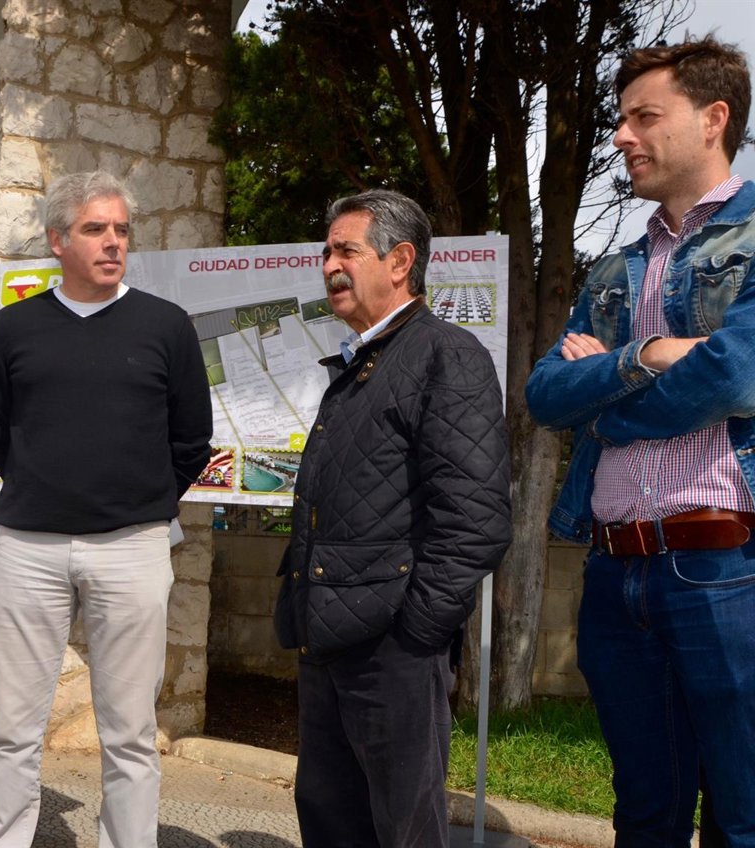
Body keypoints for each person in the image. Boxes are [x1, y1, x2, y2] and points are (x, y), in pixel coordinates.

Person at [526, 36, 755, 846]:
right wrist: (648, 356)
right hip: (613, 572)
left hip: (726, 571)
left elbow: (733, 377)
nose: (622, 135)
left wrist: (607, 403)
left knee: (743, 819)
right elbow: (544, 394)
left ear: (713, 119)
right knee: (644, 818)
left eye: (644, 117)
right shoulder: (615, 270)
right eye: (622, 119)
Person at [0, 170, 212, 848]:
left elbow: (191, 439)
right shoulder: (15, 328)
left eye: (121, 230)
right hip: (29, 548)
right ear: (58, 240)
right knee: (12, 729)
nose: (113, 242)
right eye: (95, 229)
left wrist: (142, 503)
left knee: (131, 732)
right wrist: (47, 487)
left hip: (132, 548)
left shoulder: (166, 325)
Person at [274, 189, 511, 847]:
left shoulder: (445, 354)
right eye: (326, 252)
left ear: (400, 261)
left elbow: (477, 520)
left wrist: (414, 635)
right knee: (330, 818)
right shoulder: (362, 360)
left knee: (403, 829)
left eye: (346, 250)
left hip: (392, 650)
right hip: (327, 641)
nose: (330, 265)